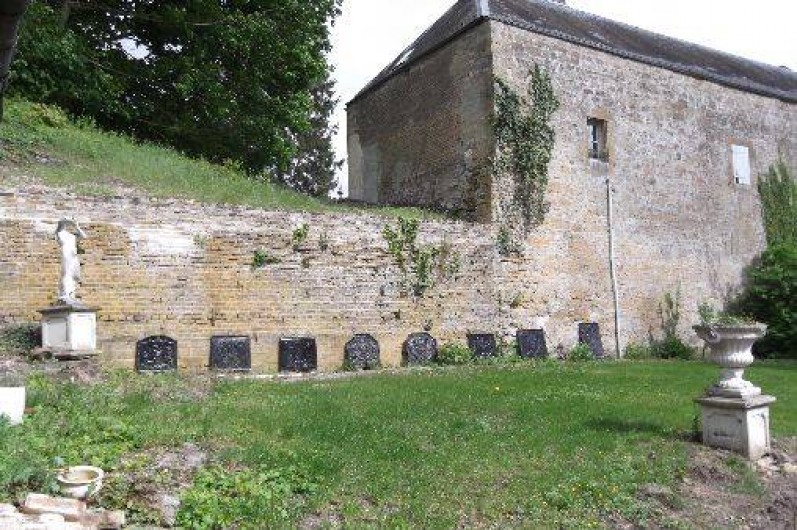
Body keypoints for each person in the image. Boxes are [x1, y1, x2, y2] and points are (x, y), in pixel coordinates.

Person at [55, 219, 87, 304]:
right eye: (65, 224)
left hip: (73, 256)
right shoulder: (60, 234)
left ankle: (71, 294)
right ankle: (65, 294)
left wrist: (77, 226)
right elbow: (58, 228)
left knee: (73, 276)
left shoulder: (72, 236)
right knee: (67, 274)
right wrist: (64, 221)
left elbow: (84, 236)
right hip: (66, 255)